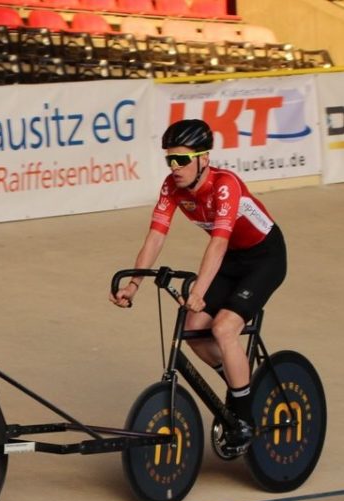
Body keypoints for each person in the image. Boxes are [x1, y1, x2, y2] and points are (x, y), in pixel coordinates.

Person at [110, 119, 287, 454]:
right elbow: (155, 237)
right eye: (169, 160)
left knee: (223, 329)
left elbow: (217, 244)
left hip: (265, 257)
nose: (174, 168)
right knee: (193, 328)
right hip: (234, 260)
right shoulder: (172, 187)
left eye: (181, 160)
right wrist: (134, 284)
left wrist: (199, 292)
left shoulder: (225, 185)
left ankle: (245, 418)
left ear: (203, 159)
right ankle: (240, 387)